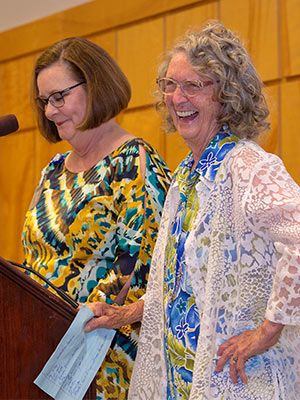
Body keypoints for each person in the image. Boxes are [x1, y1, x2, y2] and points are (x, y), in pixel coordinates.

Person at [85, 21, 300, 399]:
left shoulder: (247, 166)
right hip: (181, 383)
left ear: (227, 94)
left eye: (193, 86)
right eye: (170, 85)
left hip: (238, 382)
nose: (177, 97)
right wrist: (124, 315)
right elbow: (183, 285)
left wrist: (267, 331)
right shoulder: (187, 175)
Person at [22, 37, 171, 400]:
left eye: (60, 97)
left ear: (96, 86)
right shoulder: (53, 172)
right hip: (38, 349)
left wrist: (62, 335)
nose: (50, 111)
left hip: (102, 360)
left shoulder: (135, 163)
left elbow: (132, 271)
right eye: (44, 101)